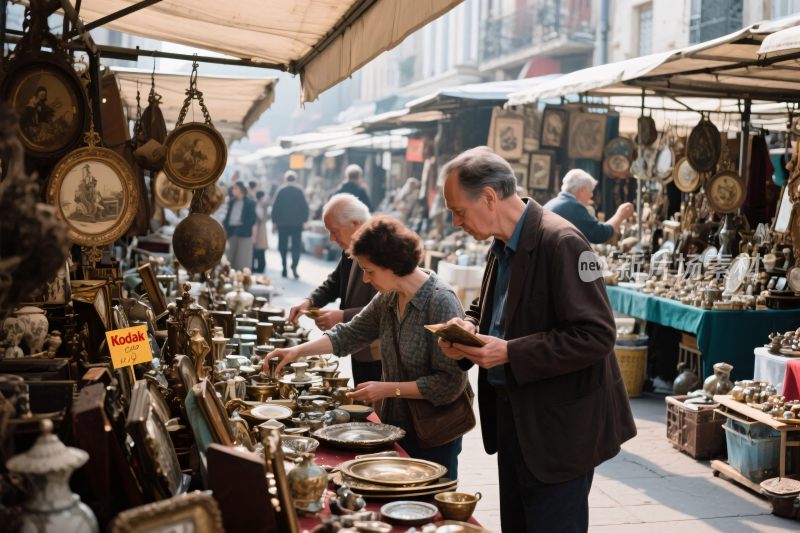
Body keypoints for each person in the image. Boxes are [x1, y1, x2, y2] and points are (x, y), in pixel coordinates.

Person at [438, 147, 636, 532]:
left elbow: (597, 334)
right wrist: (469, 328)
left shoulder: (564, 241)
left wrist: (511, 351)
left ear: (490, 197)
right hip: (516, 419)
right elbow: (490, 306)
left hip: (558, 429)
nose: (456, 221)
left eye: (459, 210)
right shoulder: (501, 244)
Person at [266, 216, 469, 477]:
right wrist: (296, 352)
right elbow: (349, 334)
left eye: (369, 270)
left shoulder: (440, 301)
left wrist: (388, 389)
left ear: (392, 265)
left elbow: (450, 384)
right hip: (398, 423)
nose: (364, 279)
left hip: (435, 433)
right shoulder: (388, 297)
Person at [287, 193, 381, 385]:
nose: (331, 238)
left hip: (379, 353)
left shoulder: (382, 251)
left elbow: (385, 308)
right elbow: (334, 283)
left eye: (335, 231)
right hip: (358, 346)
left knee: (376, 408)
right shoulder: (351, 248)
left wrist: (341, 316)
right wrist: (310, 301)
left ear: (355, 223)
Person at [544, 169, 634, 244]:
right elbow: (599, 234)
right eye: (591, 191)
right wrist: (620, 215)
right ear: (582, 190)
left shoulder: (554, 203)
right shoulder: (573, 206)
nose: (591, 196)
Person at [271, 171, 310, 278]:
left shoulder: (281, 190)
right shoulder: (299, 191)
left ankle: (284, 265)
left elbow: (275, 207)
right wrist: (305, 221)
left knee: (282, 245)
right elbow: (305, 207)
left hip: (282, 224)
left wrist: (274, 222)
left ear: (285, 179)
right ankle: (294, 266)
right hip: (296, 224)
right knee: (296, 246)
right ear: (295, 179)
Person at [223, 181, 257, 271]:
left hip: (244, 234)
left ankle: (241, 279)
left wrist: (243, 228)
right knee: (229, 257)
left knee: (242, 259)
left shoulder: (250, 203)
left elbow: (252, 219)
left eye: (235, 188)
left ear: (241, 190)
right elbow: (226, 217)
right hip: (231, 232)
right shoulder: (231, 201)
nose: (233, 190)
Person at [252, 190, 269, 273]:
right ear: (262, 197)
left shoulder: (260, 204)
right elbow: (262, 217)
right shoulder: (259, 205)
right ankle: (260, 267)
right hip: (259, 229)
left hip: (260, 229)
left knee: (259, 249)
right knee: (259, 249)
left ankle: (260, 267)